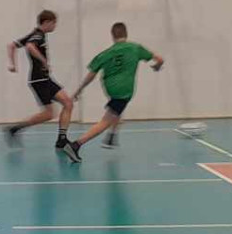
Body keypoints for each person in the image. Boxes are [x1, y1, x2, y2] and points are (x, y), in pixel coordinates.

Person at [64, 22, 165, 163]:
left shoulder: (106, 53)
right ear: (126, 33)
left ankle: (112, 135)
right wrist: (157, 67)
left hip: (110, 88)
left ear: (112, 36)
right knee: (105, 121)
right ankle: (76, 145)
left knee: (117, 110)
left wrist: (78, 90)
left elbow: (91, 74)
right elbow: (160, 59)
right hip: (124, 91)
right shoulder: (135, 48)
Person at [5, 10, 74, 151]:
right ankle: (15, 129)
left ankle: (61, 139)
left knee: (67, 103)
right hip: (39, 80)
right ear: (47, 22)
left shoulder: (33, 34)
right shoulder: (38, 35)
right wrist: (43, 61)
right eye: (54, 23)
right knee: (49, 113)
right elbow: (30, 46)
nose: (55, 26)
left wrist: (13, 64)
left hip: (44, 79)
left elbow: (11, 45)